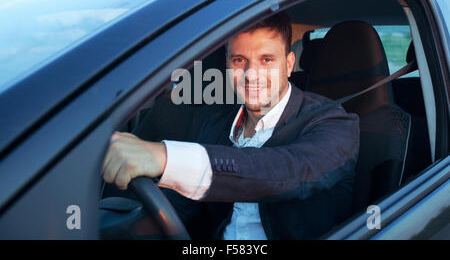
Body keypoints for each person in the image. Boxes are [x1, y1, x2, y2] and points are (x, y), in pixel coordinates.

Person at [102, 12, 360, 239]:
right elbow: (182, 205)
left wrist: (165, 157)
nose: (251, 74)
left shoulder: (334, 124)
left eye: (266, 60)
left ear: (289, 64)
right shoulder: (215, 124)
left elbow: (286, 172)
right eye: (239, 60)